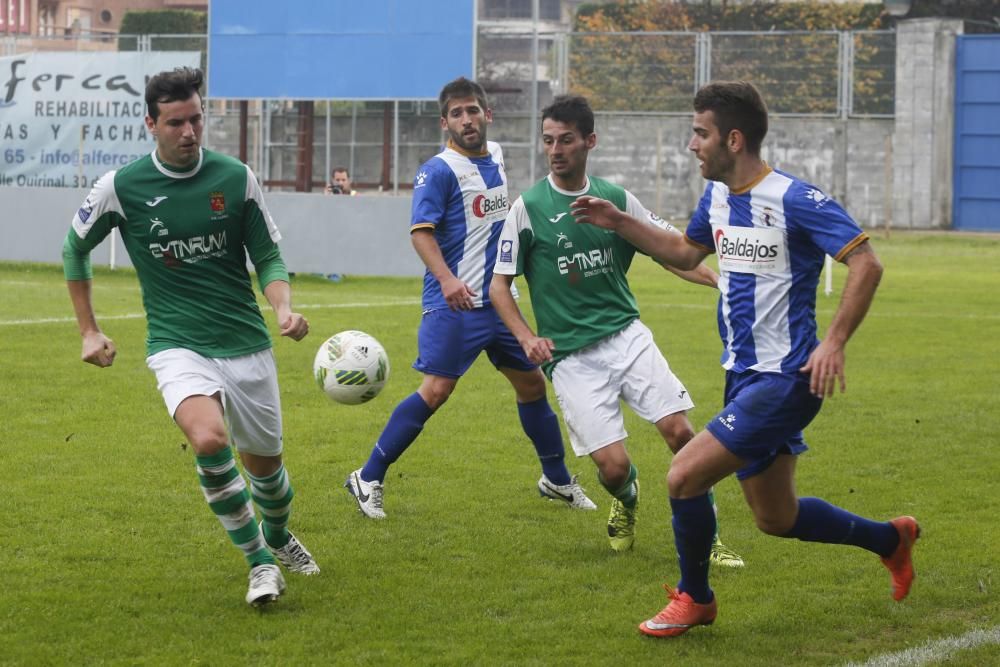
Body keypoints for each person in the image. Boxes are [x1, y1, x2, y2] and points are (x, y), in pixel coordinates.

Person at [570, 80, 918, 637]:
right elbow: (685, 251)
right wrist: (620, 222)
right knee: (777, 518)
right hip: (742, 376)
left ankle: (696, 598)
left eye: (700, 133)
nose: (692, 144)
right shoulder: (715, 198)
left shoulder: (795, 199)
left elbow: (867, 264)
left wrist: (833, 343)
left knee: (683, 475)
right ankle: (889, 539)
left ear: (733, 139)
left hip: (787, 379)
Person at [62, 67, 319, 608]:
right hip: (177, 343)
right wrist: (89, 330)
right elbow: (74, 248)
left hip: (246, 343)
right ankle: (260, 564)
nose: (189, 132)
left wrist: (284, 308)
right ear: (151, 124)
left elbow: (267, 255)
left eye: (196, 119)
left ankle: (275, 534)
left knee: (267, 474)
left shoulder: (235, 177)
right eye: (176, 122)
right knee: (207, 439)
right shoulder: (121, 187)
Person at [489, 95, 743, 564]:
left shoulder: (617, 199)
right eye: (548, 141)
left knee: (681, 433)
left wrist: (716, 280)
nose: (556, 149)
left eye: (566, 140)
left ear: (590, 141)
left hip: (626, 337)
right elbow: (498, 285)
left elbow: (669, 250)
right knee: (612, 468)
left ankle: (709, 540)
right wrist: (527, 337)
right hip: (570, 357)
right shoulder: (527, 209)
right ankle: (626, 500)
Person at [345, 77, 596, 519]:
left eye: (473, 111)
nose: (467, 119)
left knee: (532, 383)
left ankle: (556, 480)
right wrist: (446, 280)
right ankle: (367, 477)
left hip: (498, 301)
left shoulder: (496, 156)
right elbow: (420, 233)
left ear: (487, 114)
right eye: (457, 113)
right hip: (455, 302)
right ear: (446, 122)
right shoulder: (437, 171)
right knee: (437, 390)